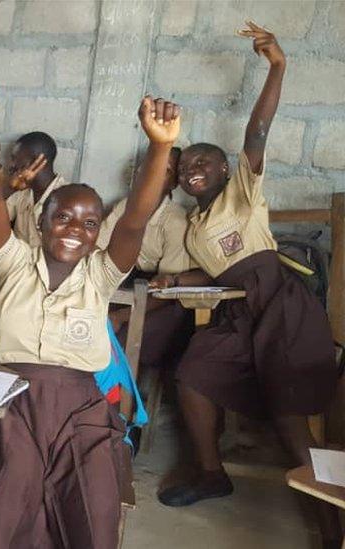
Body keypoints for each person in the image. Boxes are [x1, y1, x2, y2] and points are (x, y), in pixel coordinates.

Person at [0, 76, 180, 549]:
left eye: (89, 222)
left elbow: (137, 219)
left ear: (99, 233)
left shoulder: (101, 276)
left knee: (91, 515)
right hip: (12, 405)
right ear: (39, 222)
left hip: (82, 412)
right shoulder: (14, 261)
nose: (74, 229)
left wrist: (160, 148)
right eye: (62, 217)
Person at [154, 24, 342, 546]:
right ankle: (212, 473)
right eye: (186, 165)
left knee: (288, 416)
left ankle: (333, 520)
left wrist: (277, 66)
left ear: (224, 169)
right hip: (238, 308)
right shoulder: (194, 224)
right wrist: (175, 277)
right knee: (193, 372)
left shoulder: (243, 195)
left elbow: (256, 132)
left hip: (279, 304)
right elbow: (217, 272)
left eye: (203, 162)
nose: (192, 169)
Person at [97, 147, 196, 372]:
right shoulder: (124, 206)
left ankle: (119, 399)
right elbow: (97, 250)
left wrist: (121, 316)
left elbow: (169, 289)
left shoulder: (175, 221)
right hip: (127, 286)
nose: (153, 173)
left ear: (173, 183)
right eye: (148, 165)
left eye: (165, 170)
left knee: (119, 340)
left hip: (165, 299)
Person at [2, 130, 68, 247]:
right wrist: (9, 189)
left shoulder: (66, 199)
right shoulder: (22, 190)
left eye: (15, 158)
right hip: (17, 263)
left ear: (38, 162)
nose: (12, 165)